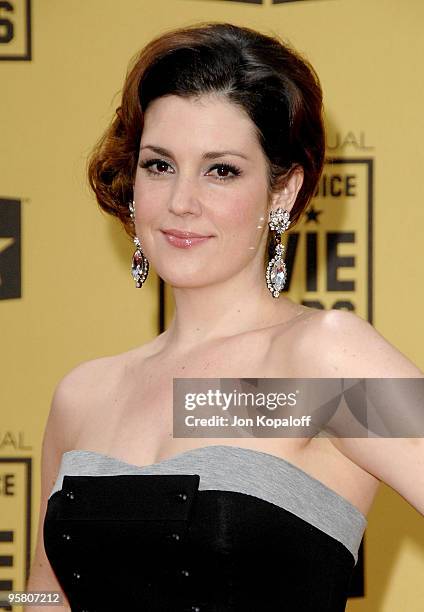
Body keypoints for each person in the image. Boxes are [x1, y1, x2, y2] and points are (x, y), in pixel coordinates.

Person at [25, 21, 423, 612]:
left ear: (283, 190)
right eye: (159, 165)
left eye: (222, 170)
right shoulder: (83, 394)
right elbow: (42, 597)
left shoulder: (324, 364)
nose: (181, 201)